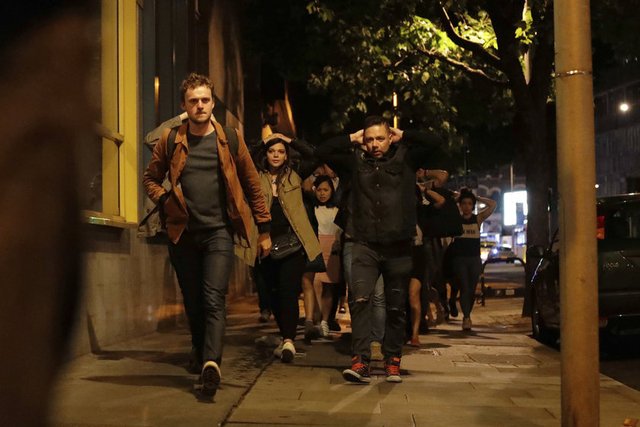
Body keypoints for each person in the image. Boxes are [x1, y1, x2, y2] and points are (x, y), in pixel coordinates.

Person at [142, 73, 272, 397]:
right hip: (182, 233)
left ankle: (211, 362)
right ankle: (200, 350)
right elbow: (150, 179)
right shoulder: (171, 139)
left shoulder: (231, 139)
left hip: (219, 233)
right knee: (193, 301)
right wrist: (165, 199)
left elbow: (253, 185)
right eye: (193, 101)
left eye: (205, 100)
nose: (200, 105)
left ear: (213, 103)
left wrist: (264, 230)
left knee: (214, 298)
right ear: (184, 106)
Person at [317, 116, 441, 383]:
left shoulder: (407, 159)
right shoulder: (354, 162)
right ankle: (360, 361)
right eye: (370, 139)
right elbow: (322, 151)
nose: (374, 144)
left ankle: (392, 361)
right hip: (363, 243)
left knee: (396, 306)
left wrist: (403, 134)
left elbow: (435, 142)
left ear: (390, 138)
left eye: (380, 138)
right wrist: (351, 138)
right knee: (360, 301)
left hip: (399, 245)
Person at [252, 133, 322, 362]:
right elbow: (242, 157)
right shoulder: (255, 175)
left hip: (292, 242)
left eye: (281, 152)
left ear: (286, 156)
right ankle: (285, 337)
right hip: (263, 243)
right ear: (266, 154)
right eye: (272, 151)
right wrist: (264, 141)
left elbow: (315, 155)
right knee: (271, 293)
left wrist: (288, 139)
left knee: (289, 291)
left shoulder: (295, 174)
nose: (276, 155)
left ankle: (290, 341)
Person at [407, 171, 447, 346]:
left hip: (417, 254)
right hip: (399, 255)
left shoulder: (422, 211)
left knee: (413, 294)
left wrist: (424, 190)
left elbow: (441, 201)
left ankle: (415, 334)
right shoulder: (396, 213)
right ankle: (404, 331)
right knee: (399, 295)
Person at [449, 188, 497, 331]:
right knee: (464, 287)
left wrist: (478, 198)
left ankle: (467, 314)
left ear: (473, 206)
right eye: (464, 203)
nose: (466, 206)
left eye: (470, 203)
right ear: (460, 205)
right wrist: (457, 198)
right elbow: (447, 206)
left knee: (471, 290)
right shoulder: (455, 219)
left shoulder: (478, 219)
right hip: (460, 260)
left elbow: (493, 204)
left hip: (474, 260)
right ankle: (466, 317)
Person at [310, 175, 343, 338]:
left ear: (332, 191)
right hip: (316, 246)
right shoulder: (312, 209)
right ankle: (316, 319)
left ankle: (324, 320)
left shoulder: (337, 210)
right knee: (315, 283)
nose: (322, 193)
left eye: (326, 190)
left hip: (332, 247)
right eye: (319, 190)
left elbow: (340, 230)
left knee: (329, 286)